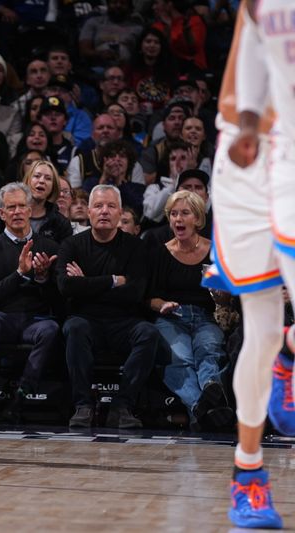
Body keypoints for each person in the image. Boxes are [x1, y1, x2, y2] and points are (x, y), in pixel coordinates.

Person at [203, 1, 292, 527]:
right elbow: (243, 80)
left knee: (277, 331)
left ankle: (291, 352)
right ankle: (249, 474)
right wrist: (251, 122)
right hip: (248, 157)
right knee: (260, 329)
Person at [57, 185, 162, 429]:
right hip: (86, 320)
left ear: (119, 213)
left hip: (124, 322)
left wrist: (85, 284)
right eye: (98, 206)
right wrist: (113, 281)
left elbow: (136, 293)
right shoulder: (72, 245)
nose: (104, 211)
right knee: (74, 327)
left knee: (149, 333)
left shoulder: (136, 247)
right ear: (89, 212)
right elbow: (65, 287)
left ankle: (122, 406)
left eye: (111, 206)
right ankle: (83, 405)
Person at [0, 183, 60, 418]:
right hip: (3, 317)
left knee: (51, 329)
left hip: (36, 319)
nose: (17, 212)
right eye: (11, 207)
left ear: (30, 210)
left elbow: (60, 299)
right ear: (2, 214)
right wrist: (19, 274)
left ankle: (24, 391)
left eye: (22, 206)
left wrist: (43, 278)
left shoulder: (49, 247)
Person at [148, 190, 229, 430]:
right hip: (171, 317)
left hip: (207, 316)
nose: (178, 219)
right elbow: (148, 297)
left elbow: (228, 298)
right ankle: (204, 408)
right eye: (173, 214)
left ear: (197, 219)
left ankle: (208, 393)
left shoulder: (216, 251)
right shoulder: (161, 252)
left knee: (208, 350)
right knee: (179, 358)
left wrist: (222, 294)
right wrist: (161, 304)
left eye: (184, 213)